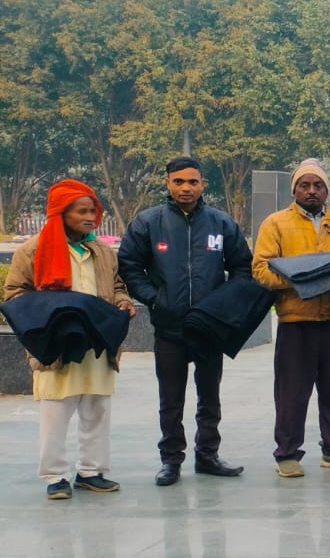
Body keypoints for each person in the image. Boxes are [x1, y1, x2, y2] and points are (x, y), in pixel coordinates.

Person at [118, 156, 253, 486]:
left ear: (203, 185)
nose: (186, 188)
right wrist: (154, 297)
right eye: (178, 182)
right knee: (171, 399)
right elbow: (130, 265)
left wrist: (222, 305)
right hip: (169, 328)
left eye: (192, 182)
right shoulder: (148, 223)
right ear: (167, 183)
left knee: (210, 396)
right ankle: (171, 460)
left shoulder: (221, 224)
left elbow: (242, 267)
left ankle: (207, 454)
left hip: (208, 328)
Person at [3, 180, 136, 500]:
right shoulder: (34, 248)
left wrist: (122, 301)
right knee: (56, 412)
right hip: (56, 344)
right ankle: (55, 476)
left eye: (93, 210)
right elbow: (15, 293)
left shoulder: (102, 251)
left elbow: (117, 285)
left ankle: (91, 471)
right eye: (82, 211)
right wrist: (48, 316)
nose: (91, 216)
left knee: (97, 408)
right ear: (62, 213)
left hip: (97, 343)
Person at [251, 158, 330, 478]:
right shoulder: (275, 225)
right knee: (291, 392)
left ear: (326, 190)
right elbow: (261, 269)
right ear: (295, 190)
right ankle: (287, 454)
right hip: (295, 321)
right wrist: (305, 277)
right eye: (305, 185)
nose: (312, 191)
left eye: (318, 185)